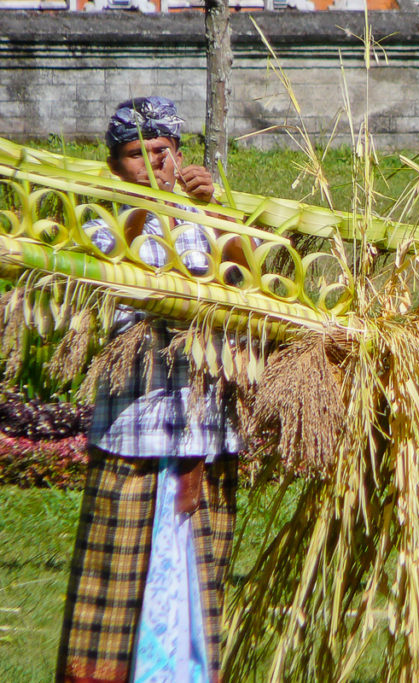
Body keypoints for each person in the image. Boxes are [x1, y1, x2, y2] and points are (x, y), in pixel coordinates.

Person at [56, 96, 248, 683]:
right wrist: (141, 209)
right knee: (116, 579)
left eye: (160, 152)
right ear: (116, 168)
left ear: (179, 153)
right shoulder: (101, 224)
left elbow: (248, 279)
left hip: (203, 428)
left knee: (197, 570)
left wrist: (218, 213)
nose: (151, 166)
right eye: (135, 156)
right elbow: (103, 276)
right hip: (132, 427)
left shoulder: (208, 220)